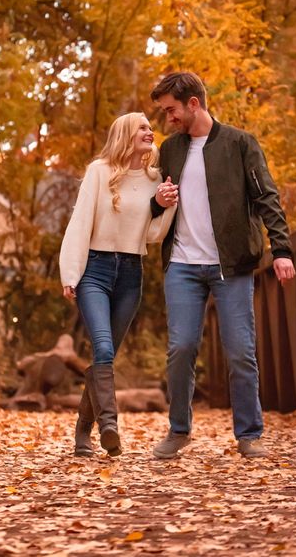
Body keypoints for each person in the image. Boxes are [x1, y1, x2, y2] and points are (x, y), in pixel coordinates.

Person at [149, 72, 296, 459]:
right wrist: (157, 201)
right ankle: (178, 430)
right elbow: (152, 206)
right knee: (181, 348)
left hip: (230, 265)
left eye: (172, 110)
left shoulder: (239, 144)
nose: (168, 119)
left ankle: (249, 434)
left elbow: (267, 197)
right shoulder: (170, 149)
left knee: (239, 351)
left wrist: (281, 249)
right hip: (182, 264)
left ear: (193, 104)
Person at [59, 112, 176, 458]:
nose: (149, 131)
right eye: (142, 127)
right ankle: (109, 425)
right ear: (125, 133)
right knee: (104, 350)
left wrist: (165, 206)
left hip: (130, 273)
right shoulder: (99, 172)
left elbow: (153, 236)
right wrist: (71, 273)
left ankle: (83, 433)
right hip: (94, 271)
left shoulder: (156, 179)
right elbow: (80, 223)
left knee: (102, 358)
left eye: (149, 127)